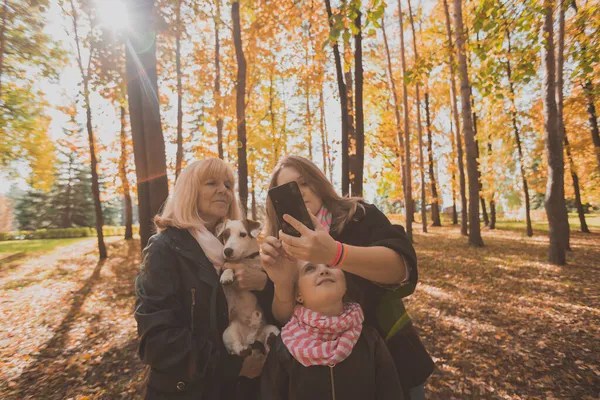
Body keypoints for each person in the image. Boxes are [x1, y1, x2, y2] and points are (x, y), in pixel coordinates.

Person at [260, 155, 434, 399]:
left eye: (303, 183)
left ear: (318, 182)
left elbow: (402, 269)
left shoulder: (358, 215)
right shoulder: (282, 246)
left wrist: (335, 253)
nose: (299, 193)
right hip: (316, 378)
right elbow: (284, 318)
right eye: (288, 190)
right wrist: (281, 282)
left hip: (393, 359)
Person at [134, 158, 271, 400]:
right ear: (189, 191)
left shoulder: (243, 251)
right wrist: (232, 366)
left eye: (228, 185)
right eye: (211, 183)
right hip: (188, 391)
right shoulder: (164, 250)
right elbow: (157, 341)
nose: (223, 190)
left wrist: (264, 284)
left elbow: (265, 313)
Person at [261, 261, 404, 400]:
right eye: (310, 269)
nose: (324, 270)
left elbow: (391, 393)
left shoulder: (371, 340)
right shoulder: (285, 346)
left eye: (330, 264)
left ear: (346, 285)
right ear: (298, 294)